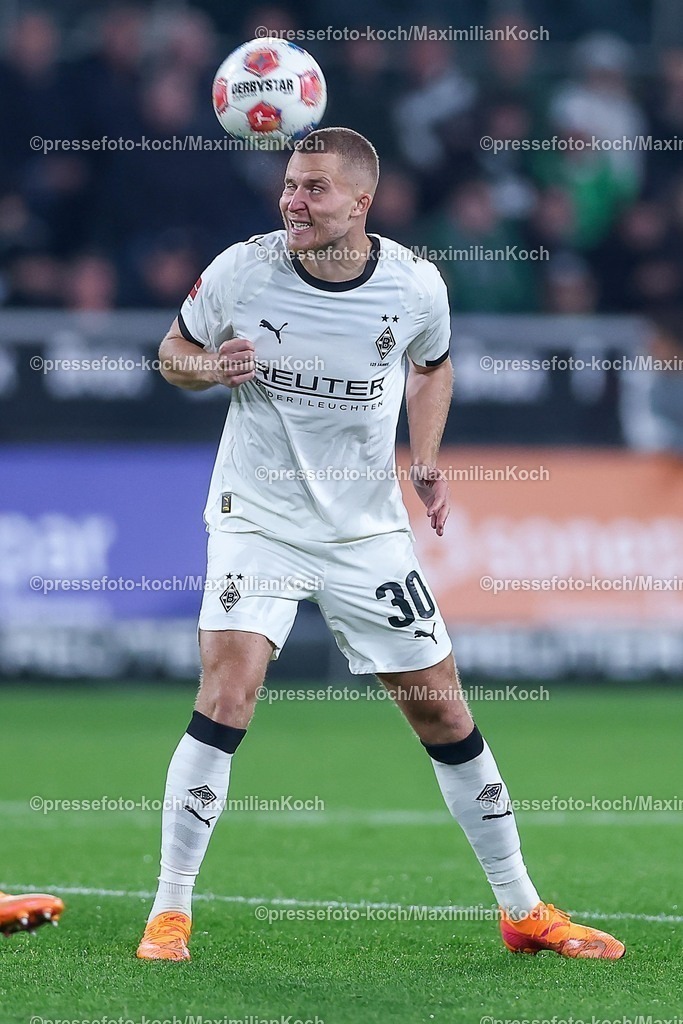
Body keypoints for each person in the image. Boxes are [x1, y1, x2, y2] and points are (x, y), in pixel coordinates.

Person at [136, 127, 625, 963]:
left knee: (441, 708)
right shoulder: (240, 268)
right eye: (290, 185)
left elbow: (432, 366)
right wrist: (211, 366)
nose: (293, 200)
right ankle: (168, 913)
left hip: (365, 530)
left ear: (362, 201)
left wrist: (426, 456)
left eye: (314, 188)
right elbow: (169, 353)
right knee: (231, 689)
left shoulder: (412, 284)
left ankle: (522, 910)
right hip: (257, 517)